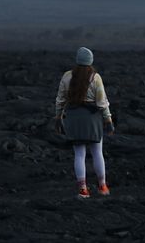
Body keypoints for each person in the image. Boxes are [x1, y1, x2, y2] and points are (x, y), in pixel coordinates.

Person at [54, 47, 115, 198]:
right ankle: (103, 187)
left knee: (79, 155)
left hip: (74, 118)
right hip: (92, 119)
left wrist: (58, 117)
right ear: (91, 61)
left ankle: (83, 190)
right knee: (97, 153)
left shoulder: (67, 76)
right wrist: (108, 120)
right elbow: (102, 102)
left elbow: (60, 100)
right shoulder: (95, 77)